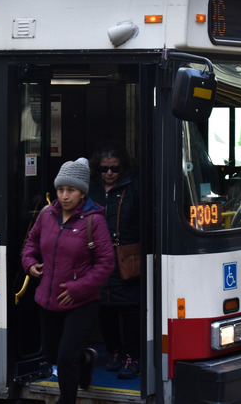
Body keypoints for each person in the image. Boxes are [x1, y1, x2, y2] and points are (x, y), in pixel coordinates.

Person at [21, 157, 115, 404]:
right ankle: (85, 358)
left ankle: (67, 400)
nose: (64, 196)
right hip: (47, 299)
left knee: (65, 356)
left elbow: (106, 263)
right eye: (61, 189)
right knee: (53, 354)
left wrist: (78, 288)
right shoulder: (46, 214)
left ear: (82, 193)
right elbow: (30, 244)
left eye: (70, 190)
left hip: (81, 302)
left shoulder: (94, 221)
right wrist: (29, 264)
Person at [88, 142, 141, 379]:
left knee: (130, 311)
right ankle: (114, 352)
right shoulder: (91, 190)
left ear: (123, 169)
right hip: (98, 257)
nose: (109, 173)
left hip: (126, 257)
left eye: (114, 169)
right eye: (104, 169)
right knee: (104, 309)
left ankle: (132, 357)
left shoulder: (134, 189)